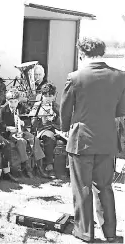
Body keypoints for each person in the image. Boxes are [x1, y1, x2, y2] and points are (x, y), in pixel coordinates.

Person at [60, 37, 125, 243]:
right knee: (104, 187)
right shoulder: (120, 76)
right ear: (102, 52)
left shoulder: (75, 77)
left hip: (82, 139)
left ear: (81, 53)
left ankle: (84, 232)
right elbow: (120, 111)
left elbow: (65, 109)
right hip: (107, 139)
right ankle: (110, 233)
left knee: (82, 187)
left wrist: (63, 129)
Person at [0, 89, 45, 178]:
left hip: (22, 131)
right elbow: (0, 124)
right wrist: (8, 128)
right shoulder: (3, 109)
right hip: (11, 133)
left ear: (18, 101)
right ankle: (26, 167)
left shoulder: (21, 107)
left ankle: (39, 167)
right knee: (21, 142)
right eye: (11, 102)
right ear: (7, 101)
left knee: (34, 139)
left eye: (15, 102)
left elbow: (28, 119)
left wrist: (23, 122)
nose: (13, 104)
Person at [31, 84, 62, 178]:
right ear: (42, 96)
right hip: (43, 130)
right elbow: (33, 123)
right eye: (46, 96)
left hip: (56, 130)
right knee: (50, 138)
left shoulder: (56, 106)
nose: (48, 98)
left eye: (50, 96)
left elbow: (62, 122)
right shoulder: (37, 105)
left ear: (54, 96)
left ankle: (66, 168)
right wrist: (39, 115)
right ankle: (49, 166)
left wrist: (55, 115)